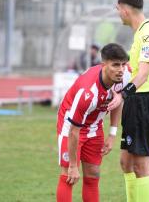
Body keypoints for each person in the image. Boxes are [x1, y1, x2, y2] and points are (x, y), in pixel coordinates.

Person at [109, 0, 149, 202]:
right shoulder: (141, 33)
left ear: (125, 9)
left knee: (141, 165)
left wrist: (123, 95)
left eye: (117, 9)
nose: (117, 13)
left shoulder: (148, 34)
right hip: (136, 102)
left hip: (145, 102)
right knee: (126, 162)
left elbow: (143, 73)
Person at [56, 43, 130, 202]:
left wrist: (112, 134)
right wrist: (74, 165)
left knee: (93, 174)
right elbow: (74, 130)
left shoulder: (124, 76)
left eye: (123, 64)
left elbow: (117, 102)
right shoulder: (87, 92)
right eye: (116, 65)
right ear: (104, 65)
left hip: (95, 126)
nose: (121, 69)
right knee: (69, 176)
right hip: (70, 126)